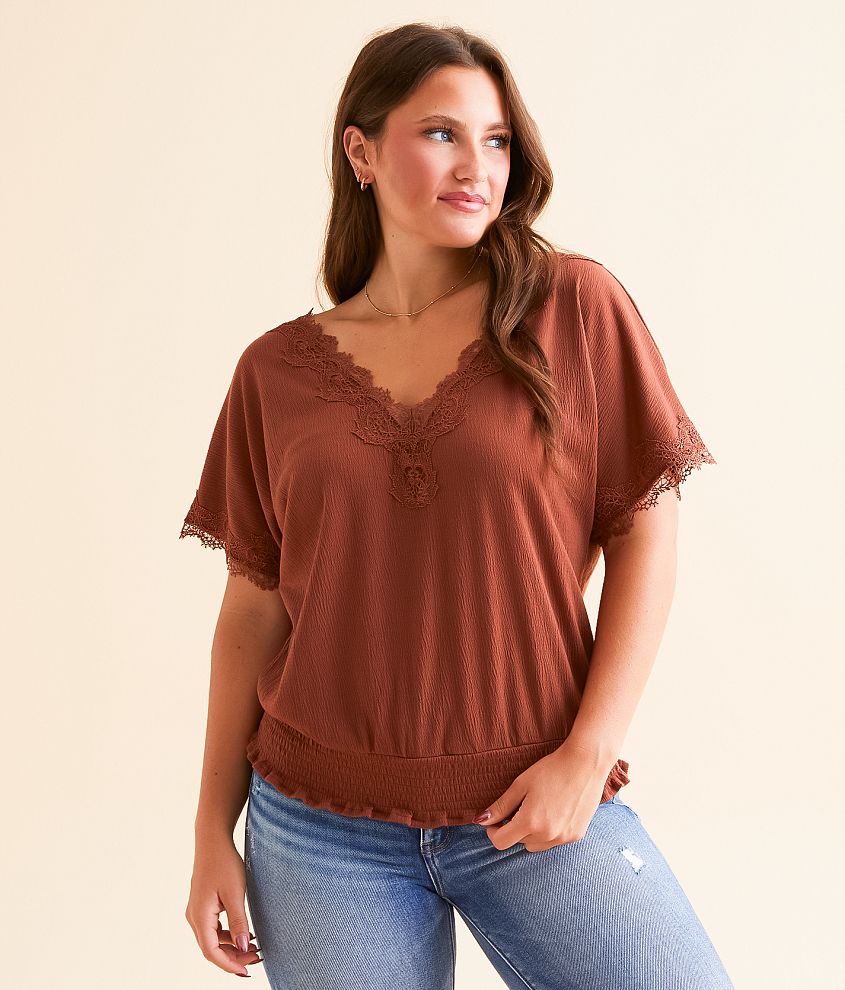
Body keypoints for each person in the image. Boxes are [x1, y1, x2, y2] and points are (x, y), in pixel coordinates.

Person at [180, 22, 734, 990]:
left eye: (496, 139)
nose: (475, 165)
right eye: (440, 133)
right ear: (360, 152)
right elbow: (253, 613)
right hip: (318, 832)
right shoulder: (275, 372)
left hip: (533, 799)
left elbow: (645, 529)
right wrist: (208, 834)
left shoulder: (573, 307)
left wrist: (587, 754)